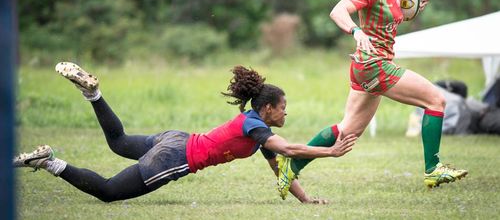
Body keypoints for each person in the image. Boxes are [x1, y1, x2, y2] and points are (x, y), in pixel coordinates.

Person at [276, 0, 468, 199]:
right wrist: (356, 31)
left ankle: (291, 164)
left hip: (368, 65)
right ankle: (433, 168)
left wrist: (413, 8)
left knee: (347, 131)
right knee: (436, 100)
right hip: (373, 65)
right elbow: (338, 10)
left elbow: (388, 20)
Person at [14, 62, 357, 203]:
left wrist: (306, 199)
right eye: (283, 106)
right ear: (268, 109)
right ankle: (49, 163)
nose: (286, 111)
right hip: (177, 155)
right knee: (107, 192)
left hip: (176, 138)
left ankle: (94, 95)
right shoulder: (255, 126)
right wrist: (331, 152)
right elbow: (292, 151)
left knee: (118, 142)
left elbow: (280, 167)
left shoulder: (256, 129)